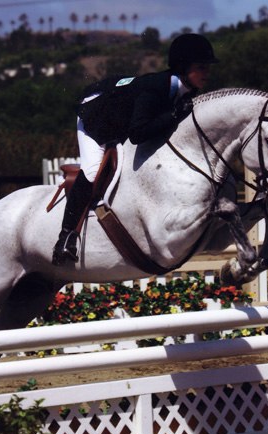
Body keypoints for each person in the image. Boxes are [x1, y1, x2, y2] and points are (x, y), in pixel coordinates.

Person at [52, 33, 219, 266]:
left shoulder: (184, 90)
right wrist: (172, 116)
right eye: (201, 67)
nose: (207, 73)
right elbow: (138, 133)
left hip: (119, 116)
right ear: (183, 67)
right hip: (95, 114)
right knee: (91, 171)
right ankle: (65, 237)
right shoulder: (155, 89)